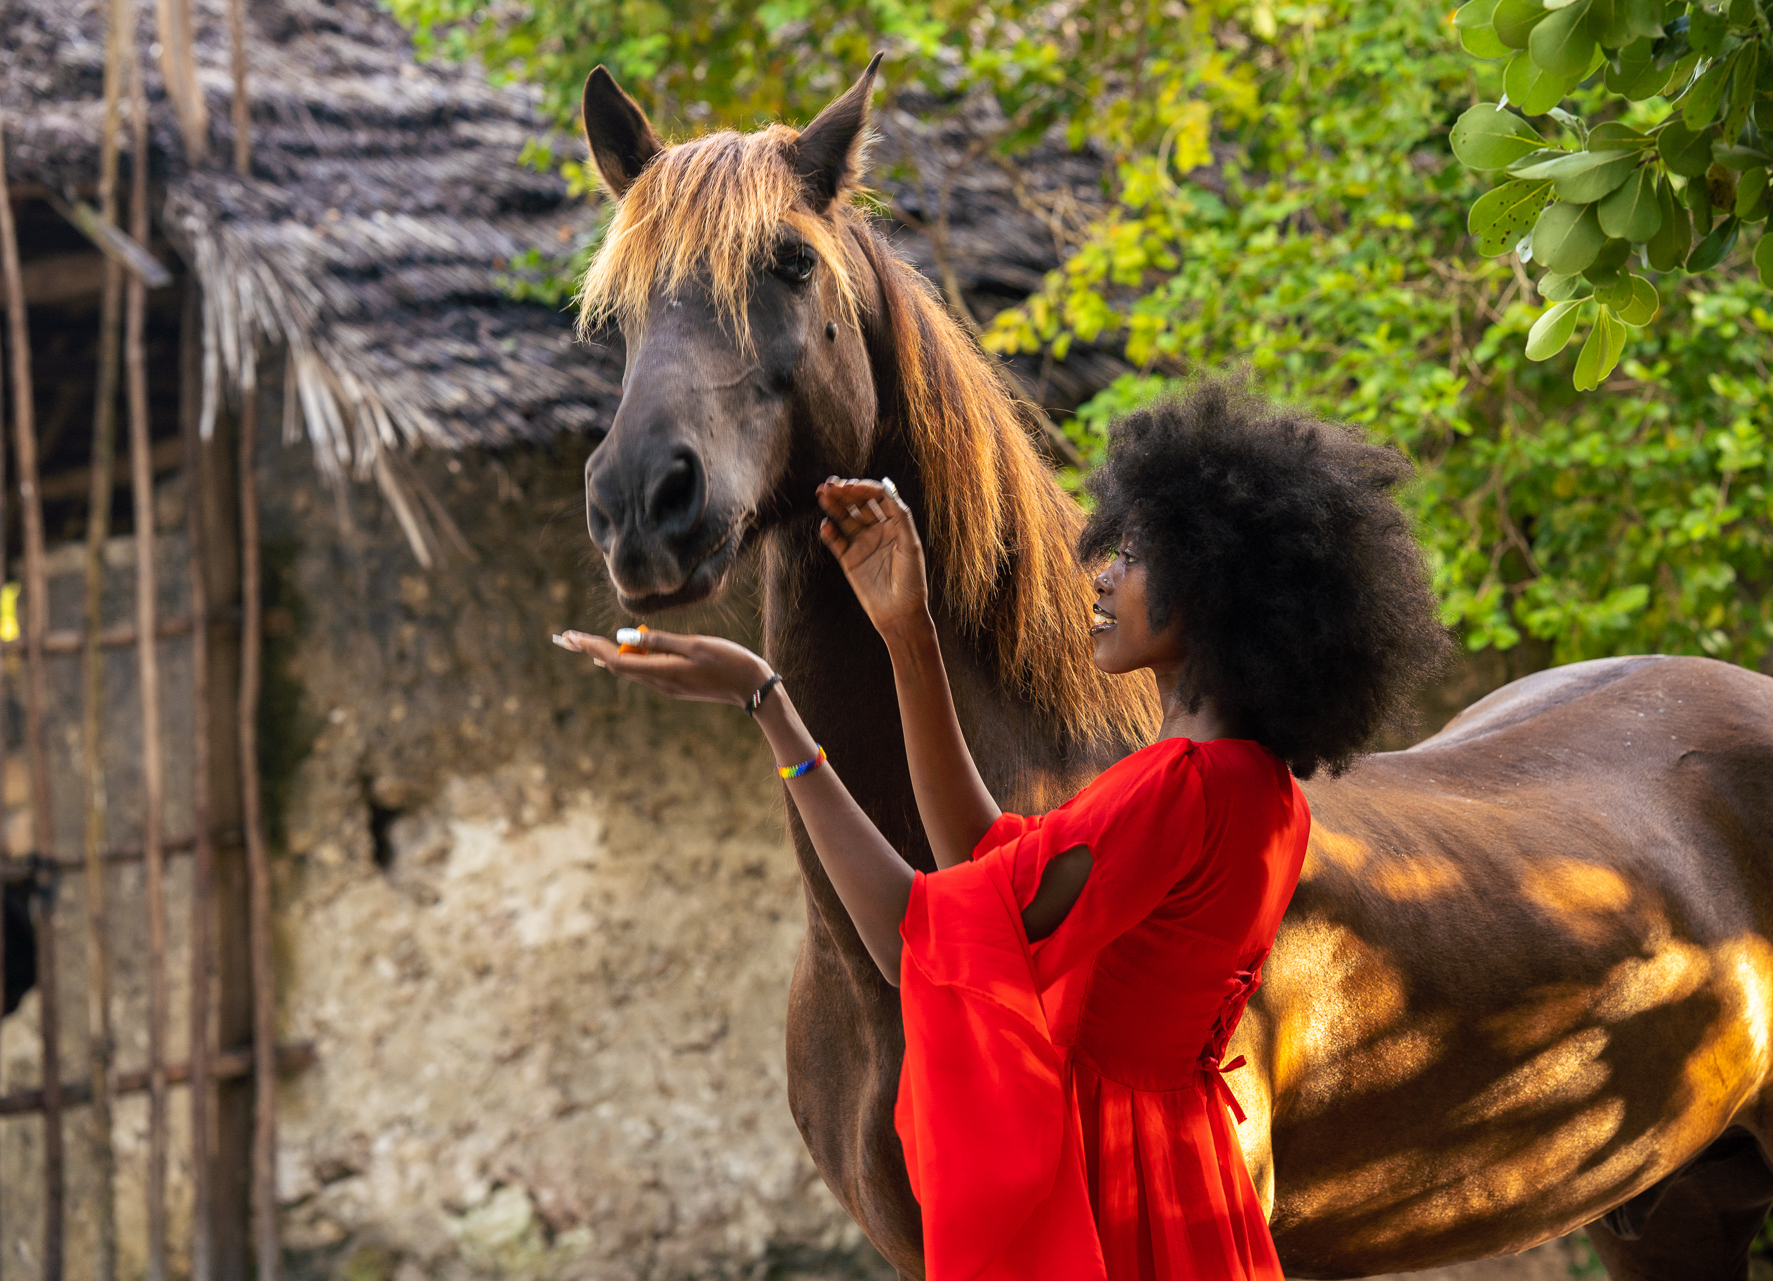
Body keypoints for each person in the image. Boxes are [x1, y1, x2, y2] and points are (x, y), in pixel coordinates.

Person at [552, 382, 1450, 1280]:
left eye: (1133, 556)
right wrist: (910, 633)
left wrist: (768, 703)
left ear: (1217, 586)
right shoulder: (1261, 789)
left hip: (1113, 1182)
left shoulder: (1180, 784)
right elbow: (988, 865)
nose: (1098, 575)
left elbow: (925, 935)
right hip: (1184, 1163)